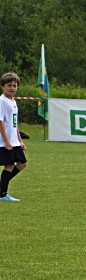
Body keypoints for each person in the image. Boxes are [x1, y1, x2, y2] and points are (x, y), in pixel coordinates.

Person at [0, 73, 27, 203]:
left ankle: (1, 187)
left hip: (14, 140)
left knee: (22, 163)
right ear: (3, 86)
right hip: (6, 141)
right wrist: (6, 141)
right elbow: (0, 121)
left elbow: (14, 122)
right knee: (9, 166)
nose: (12, 88)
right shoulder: (2, 101)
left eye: (14, 85)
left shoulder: (13, 101)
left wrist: (19, 140)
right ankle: (3, 194)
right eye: (9, 85)